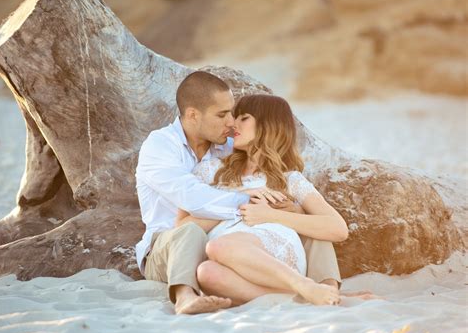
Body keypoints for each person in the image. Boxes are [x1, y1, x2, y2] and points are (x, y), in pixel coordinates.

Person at [135, 71, 300, 314]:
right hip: (168, 247)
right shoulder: (159, 146)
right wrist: (250, 199)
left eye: (232, 113)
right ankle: (184, 297)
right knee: (189, 231)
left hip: (221, 244)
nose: (231, 122)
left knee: (306, 221)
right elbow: (191, 198)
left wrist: (291, 208)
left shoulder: (228, 146)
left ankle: (326, 285)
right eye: (222, 115)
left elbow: (269, 157)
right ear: (193, 115)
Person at [175, 94, 346, 306]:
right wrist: (234, 204)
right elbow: (181, 228)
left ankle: (305, 285)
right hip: (229, 261)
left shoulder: (289, 179)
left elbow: (338, 228)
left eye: (243, 118)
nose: (232, 123)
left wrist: (273, 215)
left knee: (219, 246)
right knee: (206, 273)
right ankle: (297, 295)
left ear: (268, 125)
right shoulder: (210, 170)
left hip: (274, 251)